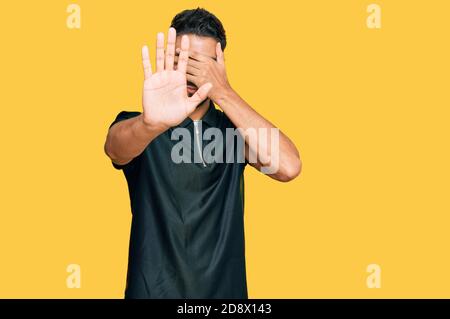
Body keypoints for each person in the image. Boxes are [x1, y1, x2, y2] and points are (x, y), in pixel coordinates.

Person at [104, 7, 301, 299]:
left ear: (220, 67)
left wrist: (224, 92)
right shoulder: (143, 126)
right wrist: (150, 124)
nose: (192, 72)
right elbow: (115, 148)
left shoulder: (236, 132)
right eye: (182, 61)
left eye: (203, 65)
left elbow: (288, 166)